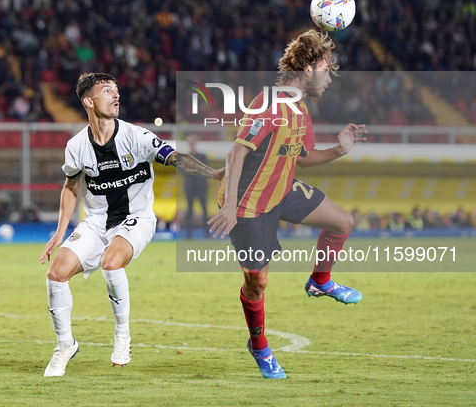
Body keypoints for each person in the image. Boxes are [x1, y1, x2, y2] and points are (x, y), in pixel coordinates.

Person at [208, 30, 366, 379]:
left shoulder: (299, 110)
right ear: (308, 69)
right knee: (257, 283)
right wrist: (230, 204)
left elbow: (303, 156)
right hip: (249, 205)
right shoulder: (269, 105)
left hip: (281, 189)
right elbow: (237, 150)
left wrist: (339, 150)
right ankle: (260, 346)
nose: (329, 78)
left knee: (342, 221)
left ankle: (320, 280)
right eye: (326, 69)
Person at [40, 73, 220, 377]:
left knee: (112, 263)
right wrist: (60, 232)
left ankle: (122, 335)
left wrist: (214, 175)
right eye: (107, 91)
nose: (115, 95)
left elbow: (175, 157)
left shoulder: (137, 136)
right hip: (96, 222)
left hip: (136, 217)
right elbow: (71, 186)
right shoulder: (76, 146)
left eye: (116, 90)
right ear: (88, 101)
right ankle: (64, 345)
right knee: (55, 274)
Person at [183, 133, 209, 238]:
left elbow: (204, 170)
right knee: (189, 210)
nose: (191, 142)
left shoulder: (202, 156)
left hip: (201, 186)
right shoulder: (184, 157)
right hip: (190, 187)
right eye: (189, 140)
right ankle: (188, 235)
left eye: (192, 140)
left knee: (204, 209)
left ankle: (207, 234)